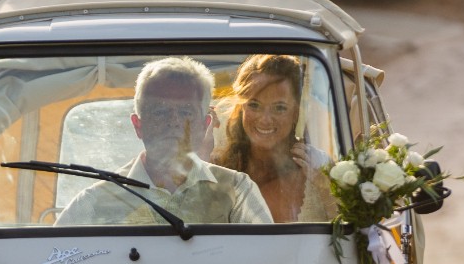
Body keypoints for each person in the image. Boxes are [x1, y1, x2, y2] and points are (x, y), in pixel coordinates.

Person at [54, 57, 273, 227]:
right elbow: (54, 262)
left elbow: (269, 261)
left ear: (204, 124)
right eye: (160, 111)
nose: (174, 122)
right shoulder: (96, 202)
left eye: (185, 112)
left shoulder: (237, 192)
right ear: (138, 125)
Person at [212, 54, 335, 223]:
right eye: (254, 105)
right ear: (241, 108)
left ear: (296, 113)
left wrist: (325, 186)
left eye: (279, 108)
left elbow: (348, 238)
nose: (265, 119)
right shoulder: (218, 166)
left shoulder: (320, 168)